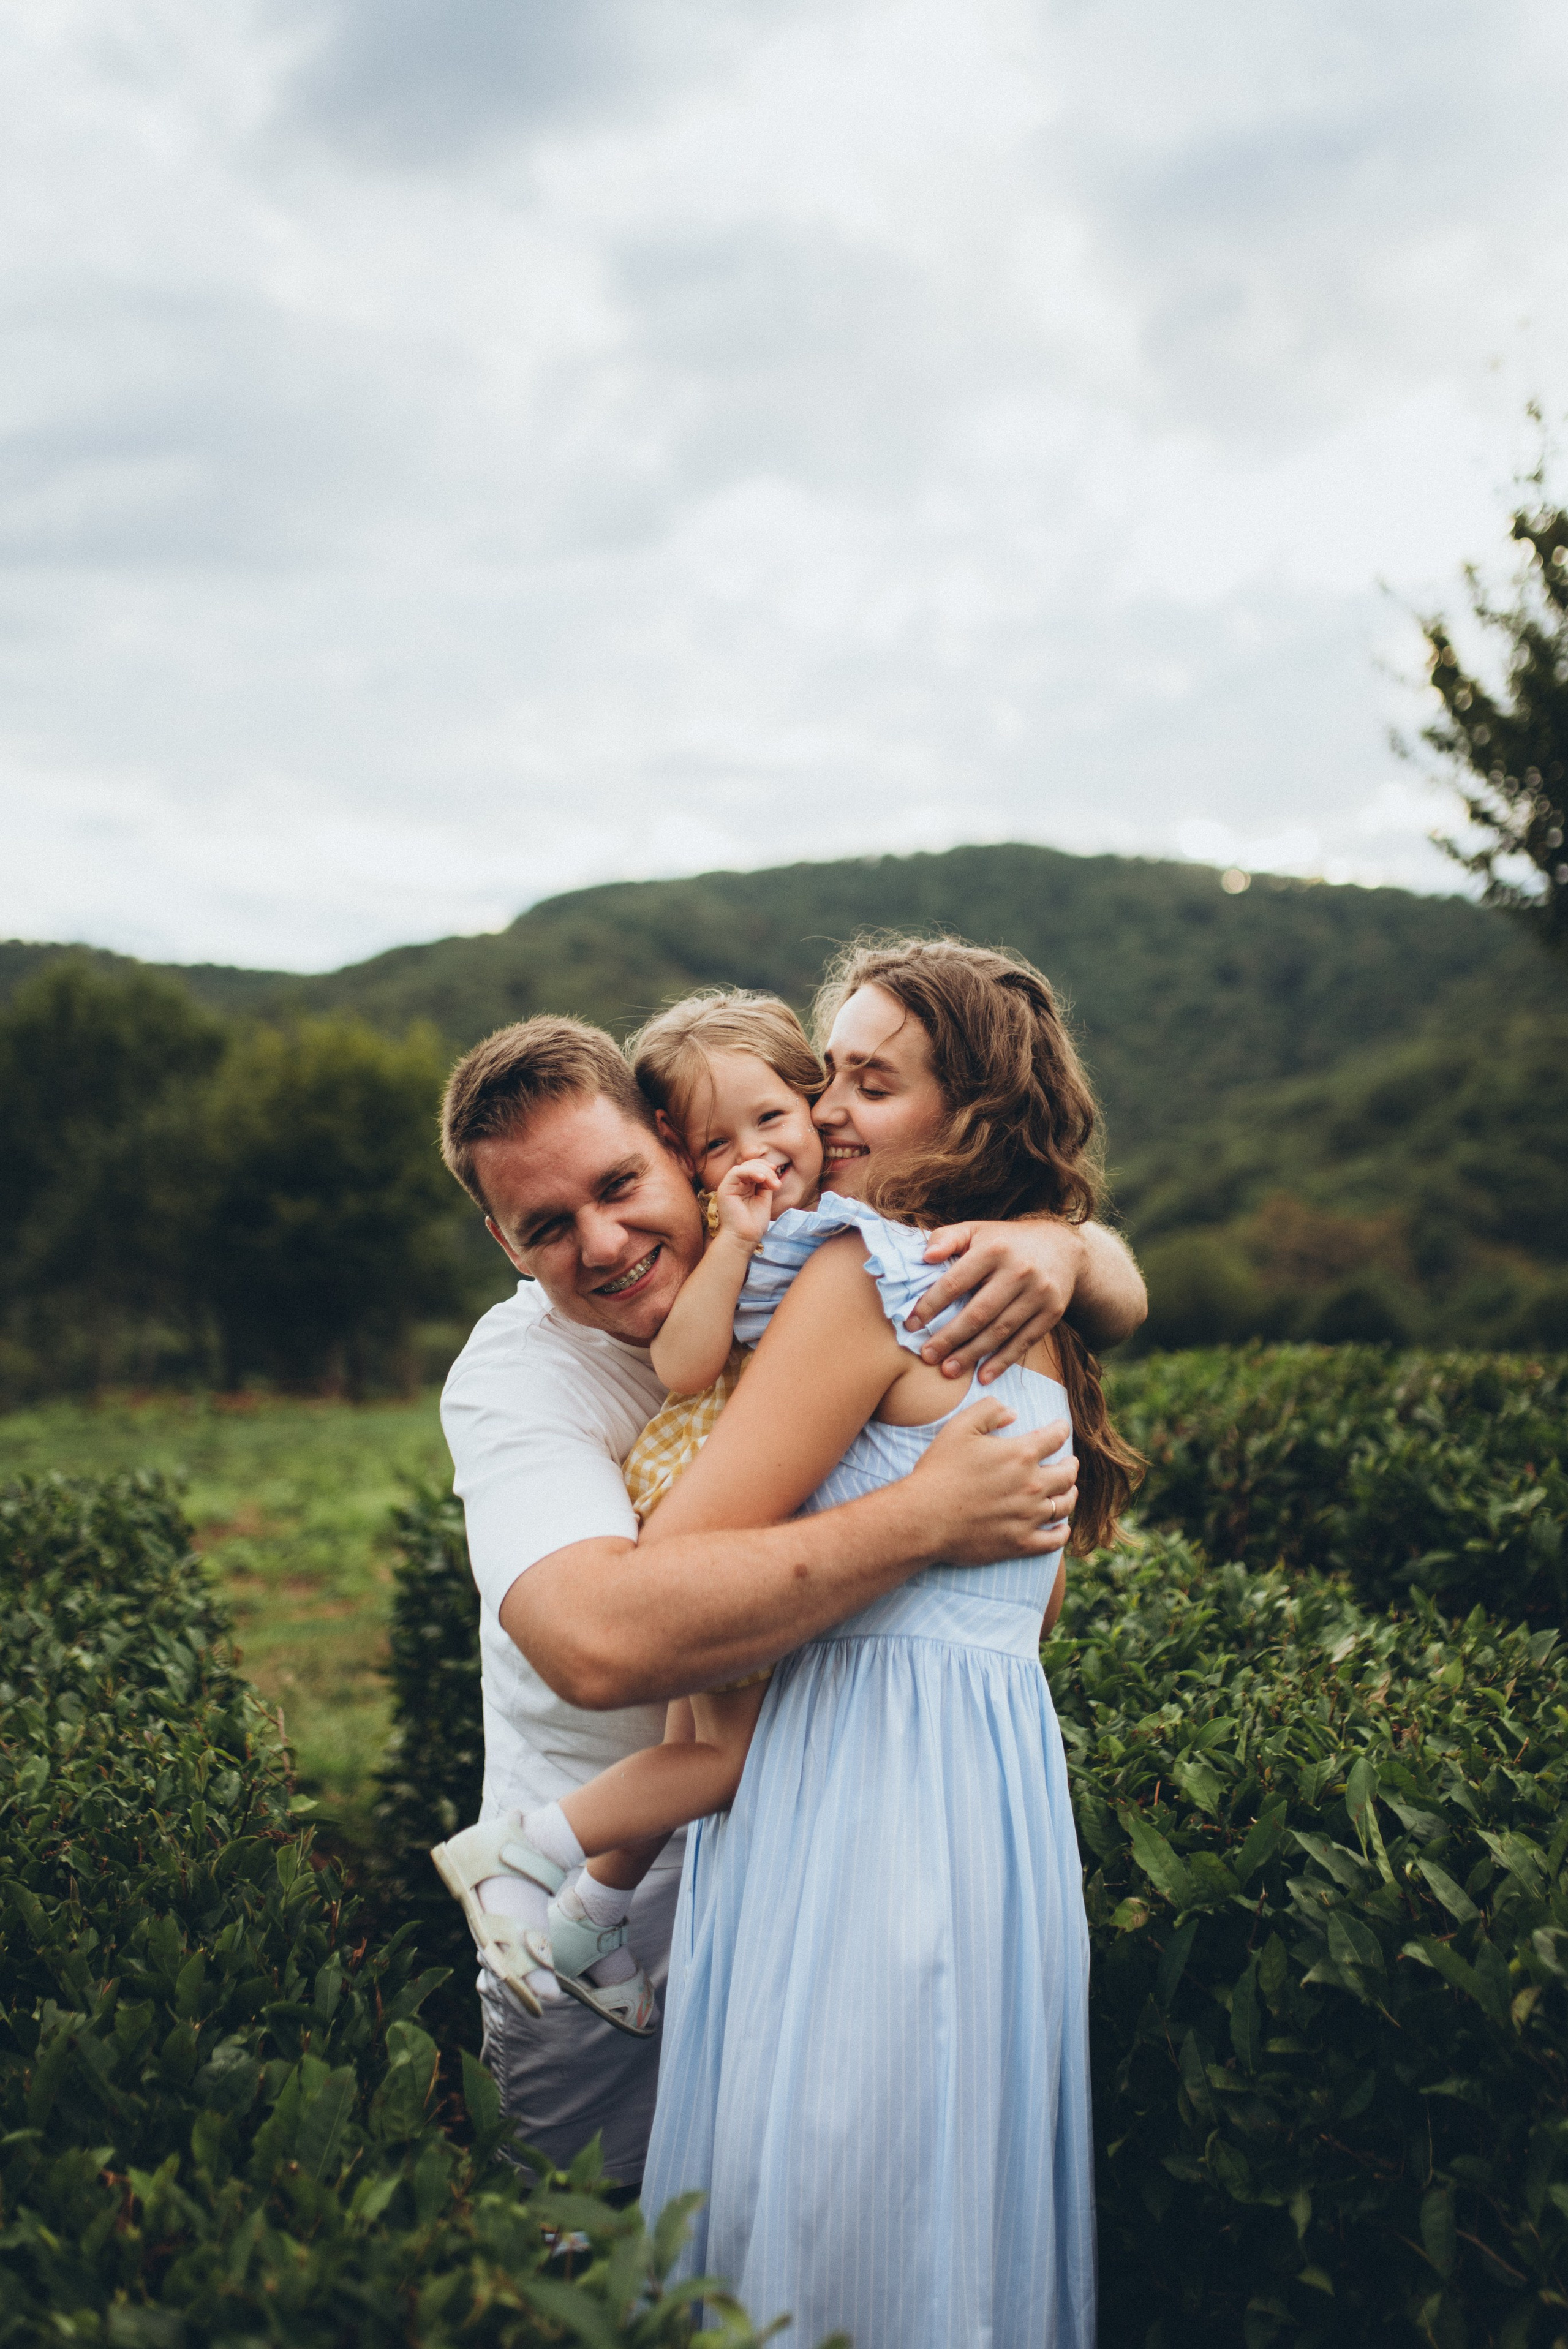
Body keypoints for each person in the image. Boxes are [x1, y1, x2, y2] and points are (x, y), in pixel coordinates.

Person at [435, 1006, 1147, 2188]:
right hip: (580, 1922)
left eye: (620, 1184)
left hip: (793, 1878)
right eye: (547, 1227)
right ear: (505, 1244)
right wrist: (925, 1520)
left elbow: (1097, 1288)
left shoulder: (802, 1266)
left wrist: (1066, 1251)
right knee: (591, 2238)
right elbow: (598, 1642)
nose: (603, 1243)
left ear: (676, 1145)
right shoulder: (516, 1380)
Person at [638, 938, 1138, 2349]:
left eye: (872, 1082)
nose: (824, 1110)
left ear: (971, 1116)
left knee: (830, 2190)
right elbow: (1019, 1616)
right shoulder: (1033, 1312)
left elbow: (674, 1571)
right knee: (946, 2199)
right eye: (827, 1074)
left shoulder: (865, 1278)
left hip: (850, 1801)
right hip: (990, 1811)